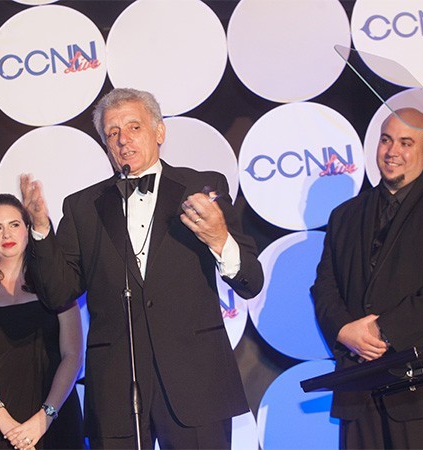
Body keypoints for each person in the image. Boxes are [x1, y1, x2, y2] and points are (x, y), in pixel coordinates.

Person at [20, 87, 264, 449]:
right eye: (113, 133)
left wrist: (219, 238)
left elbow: (251, 281)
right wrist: (41, 230)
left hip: (194, 381)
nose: (123, 140)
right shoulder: (83, 206)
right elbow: (58, 293)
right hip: (115, 386)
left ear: (159, 131)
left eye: (133, 127)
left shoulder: (199, 187)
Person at [311, 108, 423, 449]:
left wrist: (382, 331)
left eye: (406, 142)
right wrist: (344, 330)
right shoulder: (344, 216)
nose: (392, 151)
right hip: (359, 392)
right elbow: (324, 286)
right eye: (386, 139)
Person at [0, 193, 85, 449]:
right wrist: (6, 424)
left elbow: (73, 355)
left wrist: (45, 417)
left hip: (55, 416)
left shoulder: (56, 284)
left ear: (28, 229)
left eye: (14, 225)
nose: (7, 235)